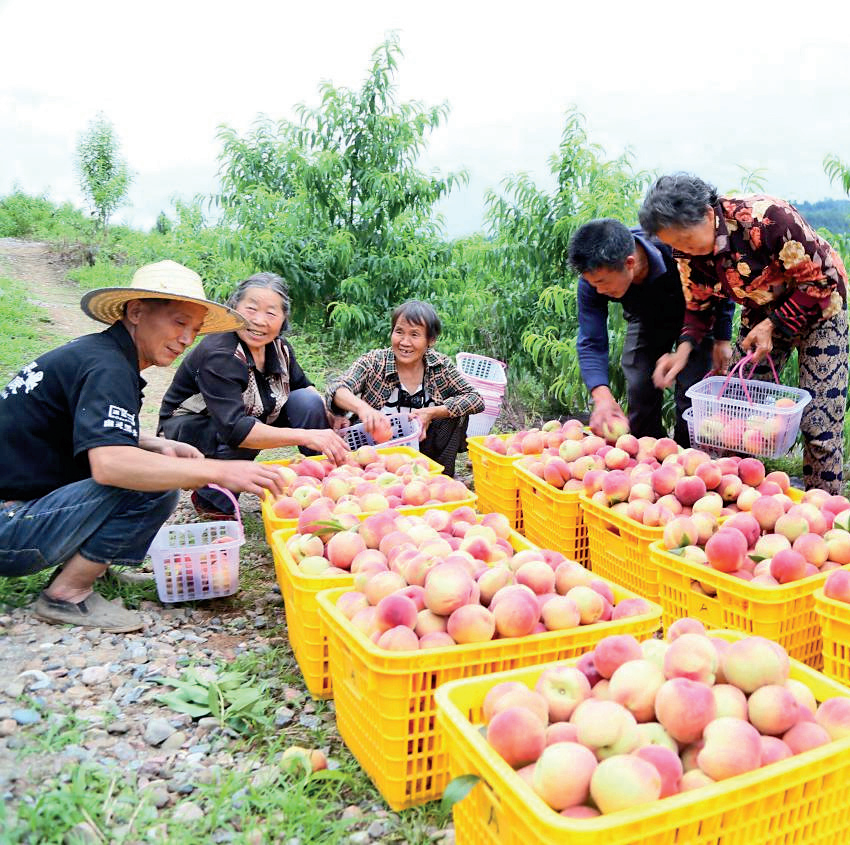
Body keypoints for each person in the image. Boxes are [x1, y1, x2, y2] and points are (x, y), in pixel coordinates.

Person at [0, 260, 286, 633]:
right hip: (10, 526)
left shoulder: (98, 355)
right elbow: (111, 465)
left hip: (18, 514)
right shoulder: (108, 368)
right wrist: (218, 469)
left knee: (149, 461)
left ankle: (90, 571)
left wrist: (150, 443)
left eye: (195, 330)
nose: (187, 339)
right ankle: (68, 593)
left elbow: (75, 429)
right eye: (179, 323)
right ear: (136, 312)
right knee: (153, 485)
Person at [640, 173, 849, 492]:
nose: (683, 251)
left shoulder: (768, 219)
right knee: (734, 411)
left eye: (686, 240)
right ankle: (737, 496)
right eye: (675, 245)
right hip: (761, 306)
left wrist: (773, 324)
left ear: (707, 215)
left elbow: (824, 279)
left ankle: (824, 506)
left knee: (819, 424)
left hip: (821, 305)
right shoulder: (685, 253)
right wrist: (682, 351)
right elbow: (698, 304)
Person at [158, 272, 349, 519]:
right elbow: (236, 429)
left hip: (249, 416)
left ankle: (323, 479)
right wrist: (308, 435)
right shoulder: (220, 354)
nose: (259, 321)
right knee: (245, 432)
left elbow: (303, 386)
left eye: (271, 313)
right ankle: (213, 499)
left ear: (283, 318)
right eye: (251, 309)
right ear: (234, 308)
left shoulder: (279, 347)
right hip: (193, 429)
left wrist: (329, 415)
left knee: (308, 402)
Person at [570, 218, 736, 446]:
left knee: (692, 392)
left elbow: (719, 279)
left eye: (602, 283)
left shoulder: (674, 246)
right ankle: (646, 454)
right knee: (640, 384)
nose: (598, 290)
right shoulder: (592, 281)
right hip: (646, 317)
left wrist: (722, 337)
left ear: (629, 263)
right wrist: (602, 397)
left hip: (697, 314)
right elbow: (591, 341)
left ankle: (690, 454)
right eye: (593, 284)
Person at [325, 300, 485, 477]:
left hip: (423, 449)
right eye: (399, 332)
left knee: (454, 414)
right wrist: (363, 409)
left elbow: (474, 399)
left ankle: (441, 476)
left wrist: (431, 413)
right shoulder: (374, 362)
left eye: (414, 334)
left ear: (430, 340)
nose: (405, 342)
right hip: (376, 451)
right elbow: (337, 388)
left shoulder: (440, 366)